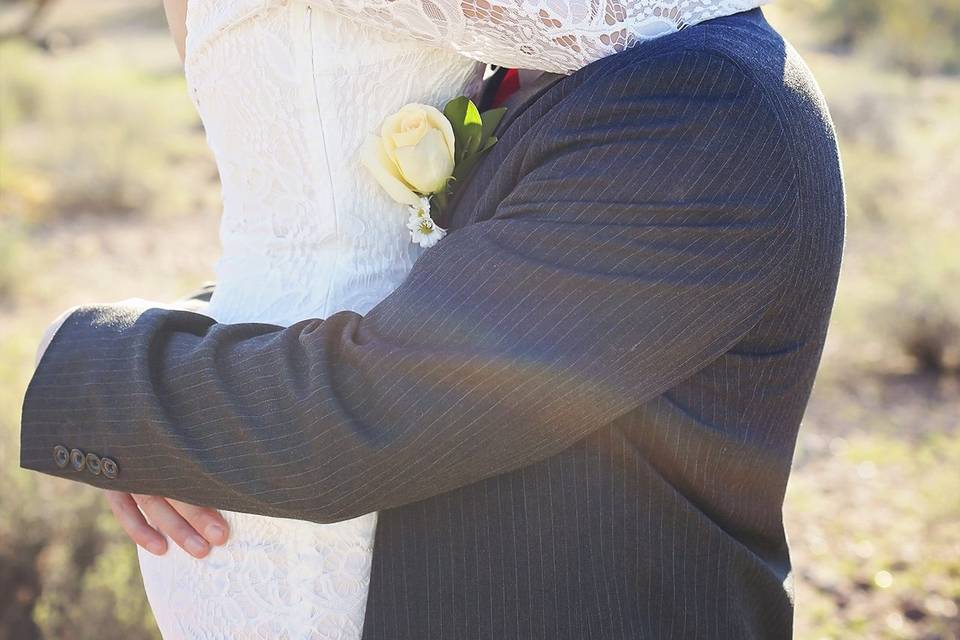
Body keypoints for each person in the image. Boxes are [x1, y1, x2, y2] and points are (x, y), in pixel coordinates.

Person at [20, 2, 845, 638]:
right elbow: (457, 288)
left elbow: (365, 414)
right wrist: (184, 345)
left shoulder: (708, 101)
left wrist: (95, 373)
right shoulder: (568, 60)